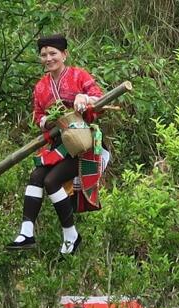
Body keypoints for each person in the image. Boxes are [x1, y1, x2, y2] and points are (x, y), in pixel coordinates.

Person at [6, 34, 105, 255]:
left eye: (53, 53)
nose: (48, 58)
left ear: (64, 54)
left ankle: (70, 234)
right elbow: (37, 115)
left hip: (82, 144)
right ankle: (26, 232)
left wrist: (84, 98)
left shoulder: (79, 75)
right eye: (44, 55)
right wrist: (47, 120)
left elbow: (99, 97)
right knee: (35, 177)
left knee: (51, 180)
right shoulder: (41, 87)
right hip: (59, 145)